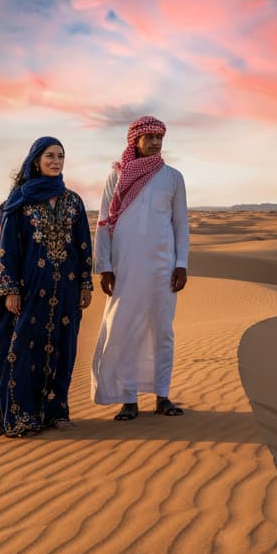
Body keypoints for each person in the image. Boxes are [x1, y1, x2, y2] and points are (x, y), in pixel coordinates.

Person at [0, 136, 93, 437]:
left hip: (65, 291)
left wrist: (84, 284)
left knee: (61, 351)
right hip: (30, 291)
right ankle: (21, 416)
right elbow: (7, 250)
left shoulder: (73, 201)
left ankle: (56, 412)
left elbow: (83, 246)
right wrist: (10, 290)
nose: (56, 161)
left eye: (61, 156)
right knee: (22, 351)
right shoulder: (21, 201)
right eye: (50, 156)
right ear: (36, 161)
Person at [91, 115, 190, 420]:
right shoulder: (117, 177)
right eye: (150, 138)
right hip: (125, 267)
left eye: (160, 138)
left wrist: (181, 264)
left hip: (162, 266)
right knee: (125, 329)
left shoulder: (173, 177)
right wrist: (104, 266)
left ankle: (162, 396)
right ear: (135, 140)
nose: (156, 143)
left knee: (162, 331)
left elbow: (180, 223)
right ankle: (128, 398)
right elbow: (104, 224)